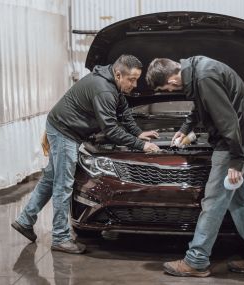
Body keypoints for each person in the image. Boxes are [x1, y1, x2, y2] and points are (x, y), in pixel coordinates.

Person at [11, 54, 159, 254]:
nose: (134, 84)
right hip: (65, 131)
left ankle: (25, 220)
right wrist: (140, 145)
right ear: (118, 74)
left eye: (136, 79)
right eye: (131, 79)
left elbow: (123, 111)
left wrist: (138, 132)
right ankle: (61, 238)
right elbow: (111, 130)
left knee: (51, 178)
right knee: (63, 185)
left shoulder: (113, 85)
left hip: (65, 126)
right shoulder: (104, 90)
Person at [146, 56, 244, 276]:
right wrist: (185, 128)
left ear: (173, 80)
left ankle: (196, 260)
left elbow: (228, 120)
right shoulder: (196, 68)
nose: (169, 91)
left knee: (213, 202)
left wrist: (235, 160)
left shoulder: (204, 76)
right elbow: (201, 104)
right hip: (241, 138)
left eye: (165, 88)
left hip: (234, 142)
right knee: (240, 202)